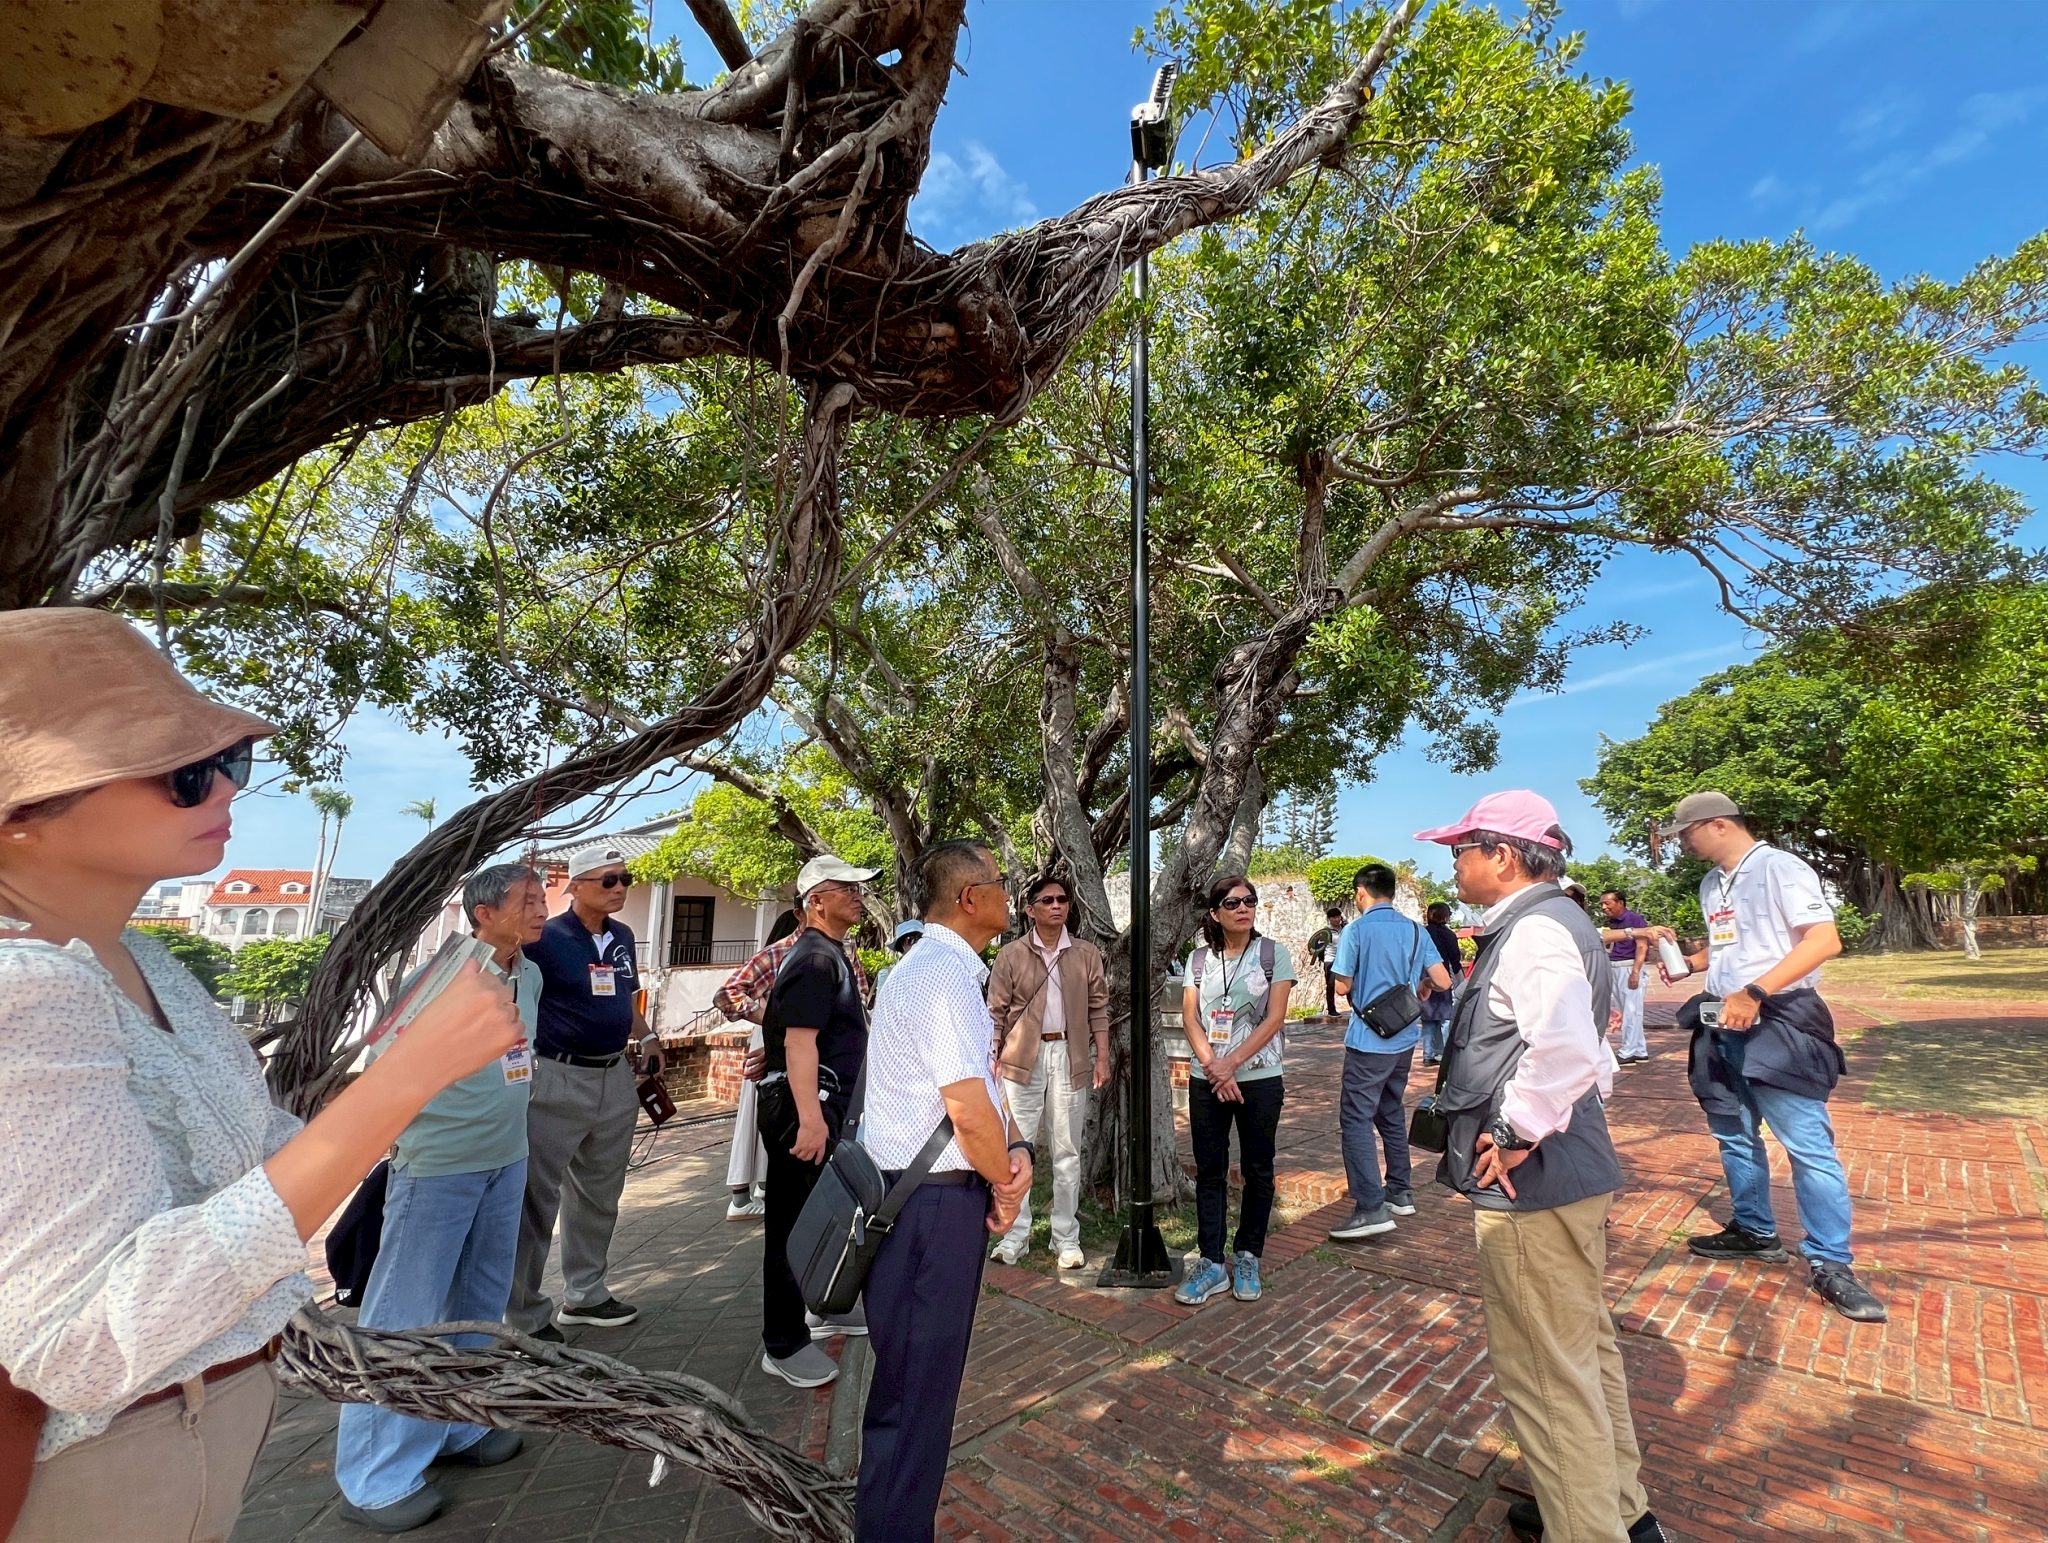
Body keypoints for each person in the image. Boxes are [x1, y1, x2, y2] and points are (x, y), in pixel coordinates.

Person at [0, 610, 519, 1543]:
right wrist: (403, 1079)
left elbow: (255, 1152)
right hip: (100, 1466)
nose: (227, 788)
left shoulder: (143, 959)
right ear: (21, 812)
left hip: (207, 1424)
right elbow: (86, 1342)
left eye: (227, 760)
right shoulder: (25, 989)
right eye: (184, 774)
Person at [1413, 790, 1664, 1543]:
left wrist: (1515, 1129)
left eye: (1461, 849)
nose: (1453, 863)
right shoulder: (1558, 921)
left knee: (1546, 1376)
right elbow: (1592, 1049)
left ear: (1502, 855)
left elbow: (1566, 1046)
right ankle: (1618, 1507)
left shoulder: (1534, 931)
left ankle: (1586, 1526)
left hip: (1534, 1183)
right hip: (1569, 1166)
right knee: (1583, 1352)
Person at [334, 863, 549, 1533]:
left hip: (505, 1156)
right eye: (527, 899)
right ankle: (373, 1476)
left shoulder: (529, 974)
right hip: (437, 1164)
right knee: (405, 1314)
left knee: (479, 1305)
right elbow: (385, 1064)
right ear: (481, 912)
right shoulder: (442, 975)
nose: (542, 908)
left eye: (543, 897)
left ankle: (461, 1423)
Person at [1652, 791, 1886, 1324]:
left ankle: (1831, 1261)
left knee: (1807, 1145)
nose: (1682, 842)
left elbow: (1823, 941)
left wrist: (1755, 991)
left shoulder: (1780, 868)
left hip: (1777, 1019)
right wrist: (1693, 962)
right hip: (1722, 1017)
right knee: (1733, 1131)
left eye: (1685, 832)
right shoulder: (1712, 883)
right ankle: (1754, 1229)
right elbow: (1733, 942)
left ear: (1717, 824)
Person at [855, 841, 1032, 1538]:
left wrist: (1014, 1150)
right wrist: (1007, 1184)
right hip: (928, 1206)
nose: (1009, 892)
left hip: (926, 1198)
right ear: (969, 897)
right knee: (915, 1397)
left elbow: (982, 1088)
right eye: (1000, 882)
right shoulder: (941, 976)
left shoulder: (936, 969)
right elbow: (967, 1109)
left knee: (915, 1390)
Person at [508, 846, 664, 1339]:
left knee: (600, 1194)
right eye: (608, 880)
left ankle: (586, 1293)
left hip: (614, 1076)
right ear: (575, 886)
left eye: (625, 879)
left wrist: (648, 1037)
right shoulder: (545, 937)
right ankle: (524, 1314)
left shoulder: (622, 936)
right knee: (536, 1198)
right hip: (557, 1075)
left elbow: (624, 996)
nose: (620, 888)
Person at [756, 854, 877, 1387]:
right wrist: (810, 1119)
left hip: (823, 1106)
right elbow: (799, 1043)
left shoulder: (830, 953)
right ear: (816, 901)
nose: (857, 895)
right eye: (845, 887)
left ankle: (824, 1304)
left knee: (824, 1216)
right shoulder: (814, 958)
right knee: (792, 1225)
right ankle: (783, 1342)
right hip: (805, 1110)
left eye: (858, 887)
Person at [1172, 875, 1295, 1307]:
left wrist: (1231, 1064)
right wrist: (1215, 1067)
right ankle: (1211, 1261)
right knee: (1210, 1169)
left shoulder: (1273, 954)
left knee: (1258, 1168)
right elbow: (1190, 1018)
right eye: (1232, 902)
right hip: (1208, 1079)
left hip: (1259, 1078)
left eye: (1249, 901)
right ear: (1214, 912)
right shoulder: (1199, 959)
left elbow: (1274, 1018)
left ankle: (1247, 1255)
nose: (1243, 908)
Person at [987, 877, 1110, 1269]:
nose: (1057, 905)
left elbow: (1098, 1008)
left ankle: (1066, 1237)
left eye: (1062, 899)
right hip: (1021, 1058)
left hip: (1070, 1056)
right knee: (1016, 1149)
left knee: (1067, 1151)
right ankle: (1015, 1235)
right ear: (1030, 909)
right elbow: (995, 1012)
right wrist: (992, 1054)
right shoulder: (1011, 955)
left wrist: (1102, 1057)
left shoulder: (1086, 953)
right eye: (1048, 900)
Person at [1328, 863, 1451, 1241]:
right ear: (1392, 892)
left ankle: (1370, 1207)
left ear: (1360, 892)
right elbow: (1443, 979)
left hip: (1369, 1039)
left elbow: (1342, 988)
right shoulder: (1415, 930)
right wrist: (1422, 982)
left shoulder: (1356, 929)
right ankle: (1399, 1190)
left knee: (1356, 1118)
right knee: (1390, 1109)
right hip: (1404, 1037)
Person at [712, 907, 809, 1223]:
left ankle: (756, 1189)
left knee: (758, 1115)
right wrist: (776, 1028)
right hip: (772, 1042)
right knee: (762, 1113)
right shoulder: (782, 958)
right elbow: (727, 997)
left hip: (770, 1039)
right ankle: (743, 1194)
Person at [1596, 889, 1651, 1063]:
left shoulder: (1635, 919)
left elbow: (1642, 946)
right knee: (1627, 1010)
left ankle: (1628, 1051)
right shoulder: (1611, 922)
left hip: (1628, 967)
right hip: (1615, 967)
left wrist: (1635, 972)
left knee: (1631, 1011)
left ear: (1620, 903)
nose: (1604, 907)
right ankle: (1639, 1050)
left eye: (1607, 903)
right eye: (1602, 904)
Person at [1419, 901, 1463, 1065]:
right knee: (1445, 1017)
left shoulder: (1421, 933)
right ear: (1445, 916)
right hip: (1442, 976)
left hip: (1423, 977)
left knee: (1428, 1017)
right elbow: (1455, 960)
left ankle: (1428, 1054)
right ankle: (1445, 1054)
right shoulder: (1448, 935)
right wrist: (1460, 980)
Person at [1306, 904, 1346, 1018]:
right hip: (1330, 959)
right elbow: (1314, 945)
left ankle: (1354, 1008)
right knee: (1331, 984)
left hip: (1344, 959)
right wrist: (1313, 951)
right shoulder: (1325, 931)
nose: (1337, 919)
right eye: (1334, 917)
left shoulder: (1345, 928)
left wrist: (1345, 922)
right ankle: (1331, 1010)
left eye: (1338, 916)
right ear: (1329, 919)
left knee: (1350, 982)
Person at [872, 917, 922, 995]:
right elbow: (881, 1001)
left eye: (920, 939)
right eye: (910, 940)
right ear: (901, 945)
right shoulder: (887, 974)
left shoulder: (933, 969)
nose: (916, 944)